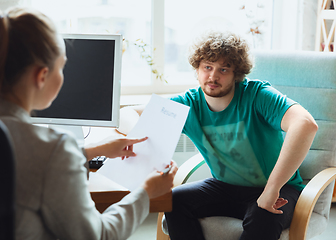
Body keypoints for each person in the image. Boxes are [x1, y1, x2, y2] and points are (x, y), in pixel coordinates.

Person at [0, 4, 177, 240]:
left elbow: (11, 158)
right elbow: (97, 235)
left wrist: (91, 151)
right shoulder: (52, 150)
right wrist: (146, 192)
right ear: (41, 76)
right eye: (62, 67)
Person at [128, 31, 318, 240]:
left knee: (263, 215)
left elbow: (306, 124)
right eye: (207, 67)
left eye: (223, 69)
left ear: (237, 73)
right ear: (197, 69)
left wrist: (272, 189)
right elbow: (130, 113)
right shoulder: (188, 104)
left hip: (279, 188)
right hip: (225, 187)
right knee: (174, 201)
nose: (213, 76)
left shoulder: (257, 95)